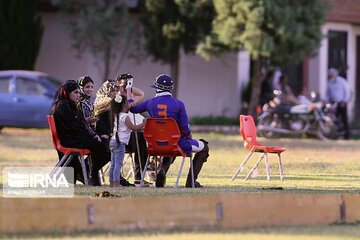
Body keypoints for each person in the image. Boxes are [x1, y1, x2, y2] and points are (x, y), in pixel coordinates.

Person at [130, 74, 210, 188]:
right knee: (204, 147)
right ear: (171, 89)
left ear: (157, 88)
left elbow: (132, 109)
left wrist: (128, 91)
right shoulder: (179, 104)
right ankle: (191, 182)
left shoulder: (150, 102)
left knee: (170, 143)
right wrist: (189, 136)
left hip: (155, 145)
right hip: (176, 143)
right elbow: (184, 128)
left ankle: (162, 170)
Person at [53, 80, 109, 186]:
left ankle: (88, 172)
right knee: (104, 148)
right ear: (67, 93)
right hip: (72, 141)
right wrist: (92, 137)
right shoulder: (63, 106)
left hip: (77, 139)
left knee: (106, 145)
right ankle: (90, 172)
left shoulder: (71, 105)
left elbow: (81, 124)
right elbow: (76, 127)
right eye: (75, 92)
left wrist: (94, 135)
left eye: (79, 92)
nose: (78, 95)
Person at [93, 79, 135, 187]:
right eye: (113, 90)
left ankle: (131, 177)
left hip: (114, 133)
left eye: (117, 90)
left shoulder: (114, 102)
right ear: (106, 90)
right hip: (103, 134)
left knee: (136, 139)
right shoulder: (105, 101)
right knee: (114, 156)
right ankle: (94, 172)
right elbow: (100, 122)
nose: (115, 93)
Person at [116, 73, 150, 185]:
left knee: (142, 138)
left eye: (127, 84)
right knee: (140, 137)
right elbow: (129, 103)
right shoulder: (114, 98)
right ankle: (143, 171)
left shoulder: (128, 96)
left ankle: (141, 174)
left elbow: (141, 94)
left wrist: (129, 87)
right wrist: (124, 88)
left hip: (131, 136)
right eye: (123, 84)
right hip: (120, 138)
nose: (125, 87)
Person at [109, 91, 146, 187]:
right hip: (120, 143)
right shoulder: (125, 117)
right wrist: (144, 123)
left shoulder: (117, 115)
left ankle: (112, 183)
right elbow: (134, 128)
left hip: (113, 141)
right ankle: (117, 183)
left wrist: (130, 106)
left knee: (113, 164)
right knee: (118, 164)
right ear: (124, 105)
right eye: (127, 103)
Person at [324, 68, 351, 139]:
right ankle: (335, 134)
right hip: (333, 103)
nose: (330, 77)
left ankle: (346, 136)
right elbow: (327, 93)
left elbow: (347, 92)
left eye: (331, 76)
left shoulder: (342, 82)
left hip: (341, 103)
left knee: (344, 119)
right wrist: (325, 101)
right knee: (334, 119)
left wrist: (344, 101)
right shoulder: (330, 83)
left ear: (335, 75)